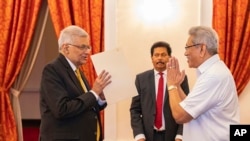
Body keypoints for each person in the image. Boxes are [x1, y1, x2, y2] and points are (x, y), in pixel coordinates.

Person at [166, 26, 240, 141]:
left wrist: (171, 85)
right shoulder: (212, 71)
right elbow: (191, 108)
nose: (185, 53)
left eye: (187, 47)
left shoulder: (213, 76)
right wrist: (177, 86)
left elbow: (180, 116)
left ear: (202, 49)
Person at [39, 25, 111, 141]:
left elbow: (85, 106)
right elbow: (62, 109)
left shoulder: (77, 71)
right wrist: (93, 93)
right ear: (66, 48)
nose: (87, 52)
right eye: (82, 47)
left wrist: (99, 97)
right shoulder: (52, 70)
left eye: (88, 47)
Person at [130, 41, 190, 141]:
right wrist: (139, 135)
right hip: (147, 136)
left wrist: (180, 135)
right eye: (156, 55)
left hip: (173, 136)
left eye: (163, 55)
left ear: (169, 57)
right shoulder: (141, 79)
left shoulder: (179, 78)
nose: (159, 58)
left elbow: (186, 109)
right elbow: (135, 110)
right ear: (152, 58)